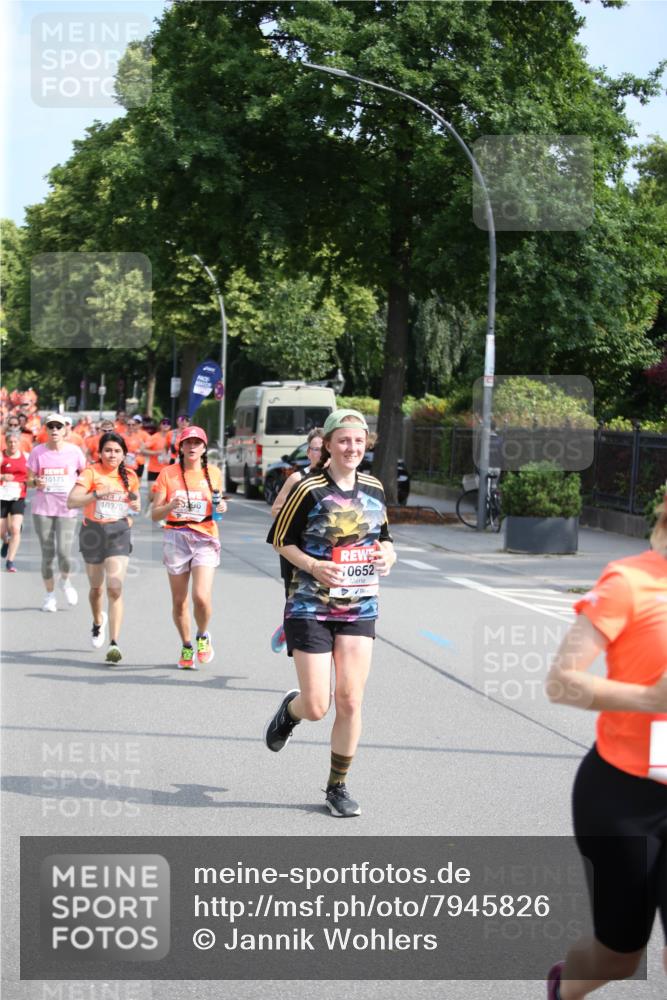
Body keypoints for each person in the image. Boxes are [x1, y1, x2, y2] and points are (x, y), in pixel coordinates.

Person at [544, 499, 667, 999]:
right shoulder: (630, 583)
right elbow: (561, 683)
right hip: (625, 796)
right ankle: (565, 988)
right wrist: (650, 699)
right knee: (618, 954)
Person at [264, 409, 396, 817]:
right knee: (318, 705)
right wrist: (314, 565)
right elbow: (280, 540)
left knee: (351, 700)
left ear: (366, 443)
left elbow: (385, 538)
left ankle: (337, 787)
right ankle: (291, 711)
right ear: (331, 445)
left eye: (358, 441)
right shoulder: (308, 489)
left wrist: (388, 556)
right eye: (344, 441)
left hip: (359, 604)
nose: (351, 448)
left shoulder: (374, 487)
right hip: (310, 604)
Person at [151, 425, 227, 669]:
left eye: (197, 443)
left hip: (205, 536)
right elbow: (154, 514)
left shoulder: (213, 473)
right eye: (188, 443)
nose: (192, 447)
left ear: (204, 448)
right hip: (176, 536)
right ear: (181, 447)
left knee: (201, 597)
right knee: (179, 600)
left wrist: (222, 507)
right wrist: (171, 505)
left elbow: (217, 507)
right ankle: (186, 645)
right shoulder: (167, 474)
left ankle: (203, 635)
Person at [67, 432, 141, 663]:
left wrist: (135, 504)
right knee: (97, 589)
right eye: (108, 450)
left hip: (118, 532)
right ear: (100, 453)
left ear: (124, 455)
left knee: (115, 588)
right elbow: (72, 501)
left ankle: (114, 643)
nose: (112, 454)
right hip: (93, 533)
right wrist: (97, 493)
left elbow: (135, 501)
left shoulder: (129, 476)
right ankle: (98, 621)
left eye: (117, 451)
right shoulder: (91, 472)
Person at [268, 427, 324, 653]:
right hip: (295, 550)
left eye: (323, 449)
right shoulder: (297, 478)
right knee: (295, 599)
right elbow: (276, 510)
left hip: (323, 551)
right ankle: (290, 632)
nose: (319, 454)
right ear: (308, 452)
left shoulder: (336, 480)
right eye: (315, 449)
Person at [27, 413, 86, 611]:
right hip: (42, 508)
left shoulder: (75, 452)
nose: (54, 430)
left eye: (58, 427)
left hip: (66, 507)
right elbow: (28, 480)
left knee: (64, 553)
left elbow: (85, 477)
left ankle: (65, 581)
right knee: (47, 554)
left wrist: (81, 494)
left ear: (65, 430)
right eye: (50, 426)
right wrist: (36, 482)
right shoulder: (38, 452)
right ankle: (49, 596)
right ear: (46, 429)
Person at [0, 431, 29, 571]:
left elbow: (31, 475)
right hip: (2, 495)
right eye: (10, 442)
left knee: (16, 528)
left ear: (19, 443)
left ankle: (10, 562)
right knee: (2, 530)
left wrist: (30, 482)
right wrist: (2, 477)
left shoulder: (26, 457)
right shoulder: (2, 456)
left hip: (18, 496)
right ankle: (5, 541)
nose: (12, 444)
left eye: (15, 442)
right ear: (6, 443)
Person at [142, 417, 173, 512]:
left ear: (170, 426)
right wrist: (155, 453)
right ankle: (149, 502)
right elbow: (143, 449)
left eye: (168, 423)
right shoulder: (155, 437)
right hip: (153, 469)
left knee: (163, 493)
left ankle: (158, 511)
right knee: (152, 493)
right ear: (160, 425)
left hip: (166, 470)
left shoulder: (173, 437)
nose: (165, 425)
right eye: (163, 423)